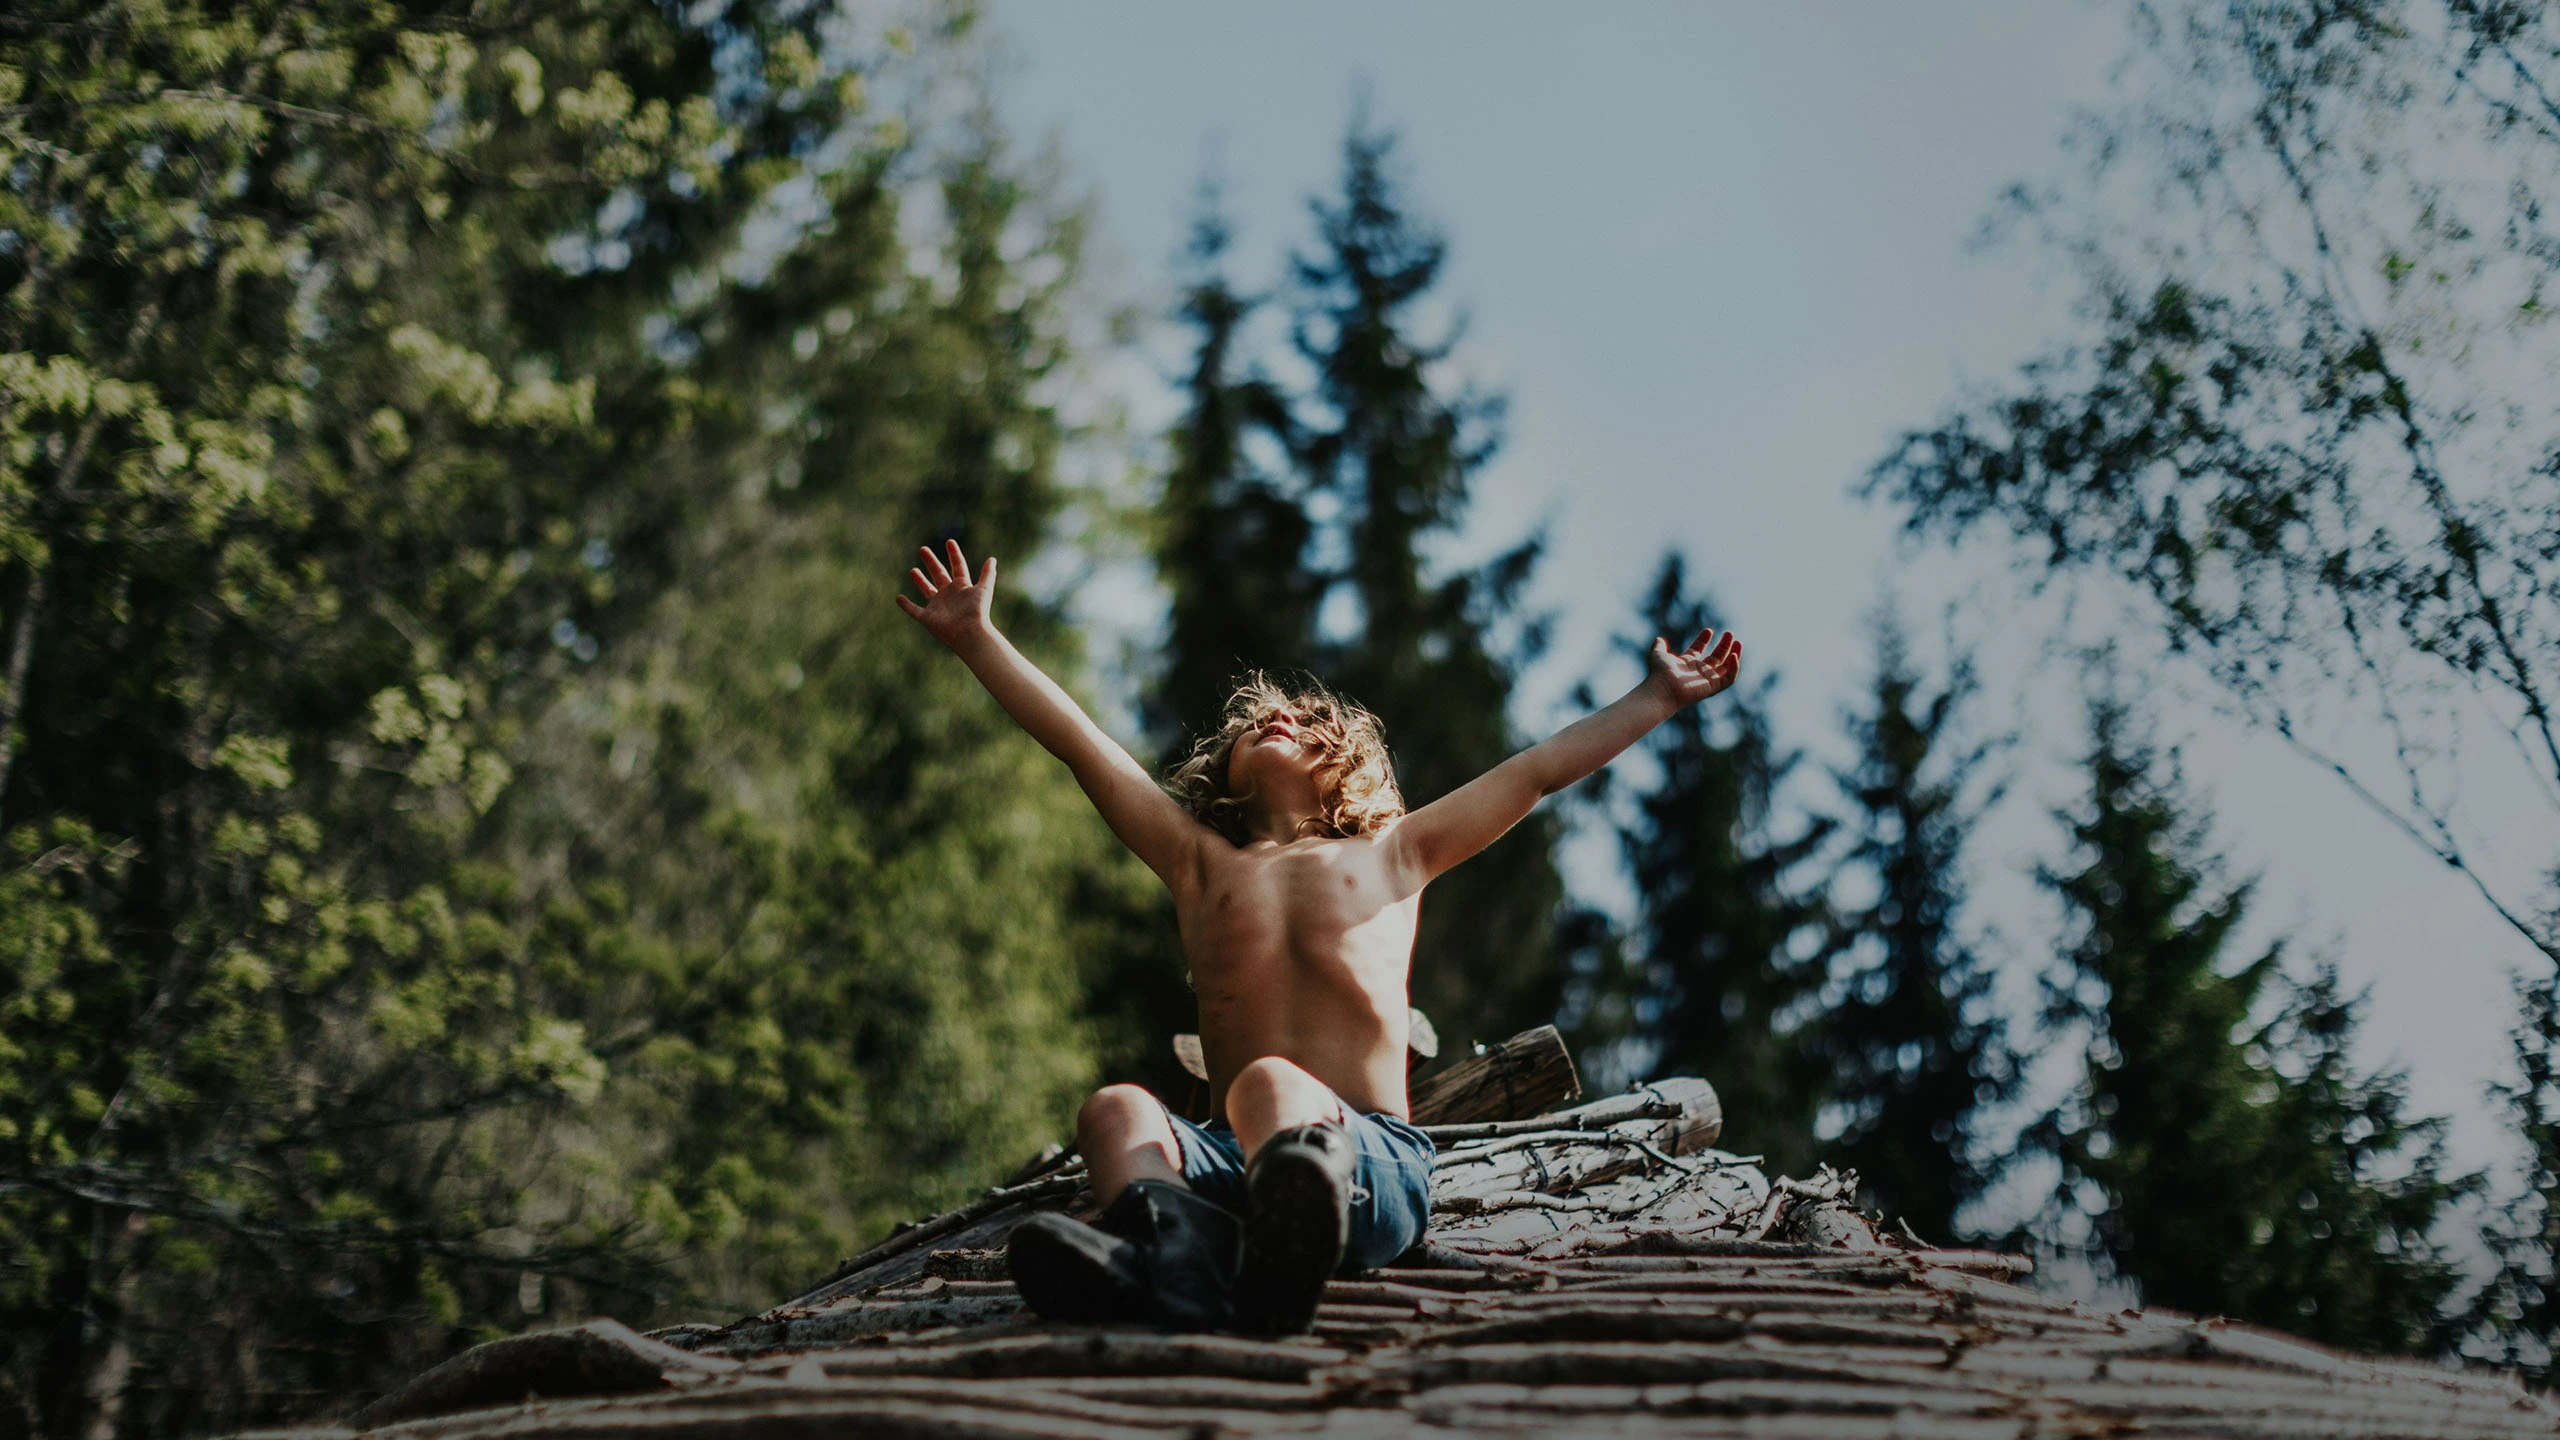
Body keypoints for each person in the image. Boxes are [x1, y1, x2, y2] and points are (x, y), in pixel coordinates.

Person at [896, 538, 1741, 1332]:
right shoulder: (1200, 866)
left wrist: (1658, 696)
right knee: (1115, 1110)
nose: (1274, 719)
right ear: (1222, 769)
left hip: (1367, 1162)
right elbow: (1085, 748)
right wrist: (979, 642)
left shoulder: (1394, 852)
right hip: (1226, 1165)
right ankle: (1179, 1253)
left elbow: (1535, 773)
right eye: (1253, 721)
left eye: (1300, 718)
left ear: (1347, 760)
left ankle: (1286, 1241)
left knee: (1269, 1084)